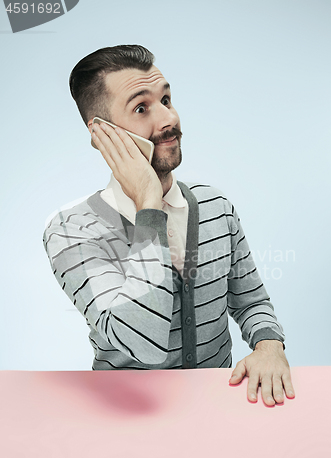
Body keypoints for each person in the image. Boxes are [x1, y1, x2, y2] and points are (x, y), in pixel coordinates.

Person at [43, 45, 295, 406]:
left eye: (167, 99)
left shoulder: (214, 205)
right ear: (102, 134)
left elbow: (251, 300)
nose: (168, 119)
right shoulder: (72, 230)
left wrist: (270, 346)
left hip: (218, 412)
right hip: (127, 419)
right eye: (142, 108)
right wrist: (149, 203)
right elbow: (141, 341)